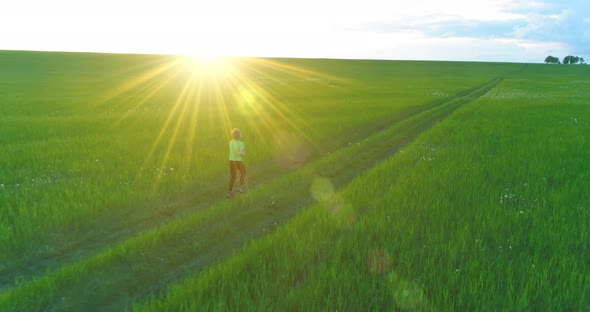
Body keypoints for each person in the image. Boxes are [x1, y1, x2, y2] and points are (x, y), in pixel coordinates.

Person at [227, 128, 246, 198]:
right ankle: (239, 187)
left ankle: (229, 192)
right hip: (238, 162)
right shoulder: (241, 144)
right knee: (243, 173)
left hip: (231, 161)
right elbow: (241, 153)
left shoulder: (231, 142)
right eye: (240, 134)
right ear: (239, 136)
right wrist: (243, 153)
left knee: (233, 177)